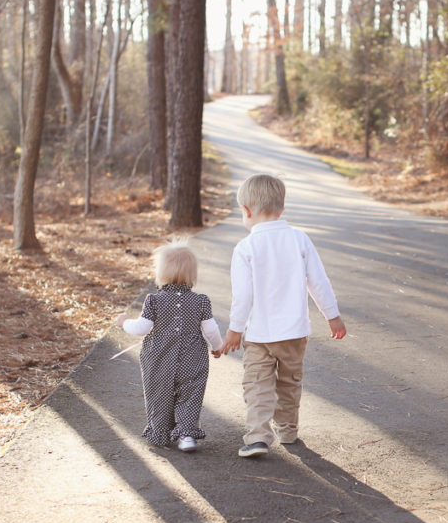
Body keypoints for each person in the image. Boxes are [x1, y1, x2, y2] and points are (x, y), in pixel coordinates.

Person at [218, 173, 346, 458]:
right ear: (282, 209)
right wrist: (332, 315)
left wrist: (235, 330)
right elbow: (318, 282)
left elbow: (243, 296)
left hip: (259, 336)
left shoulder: (245, 248)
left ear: (247, 211)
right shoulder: (299, 239)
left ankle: (257, 437)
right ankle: (288, 431)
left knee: (257, 385)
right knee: (289, 383)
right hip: (294, 333)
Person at [116, 240, 223, 453]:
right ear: (192, 274)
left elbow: (141, 329)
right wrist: (217, 346)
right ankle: (186, 435)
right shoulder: (201, 301)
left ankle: (161, 433)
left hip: (159, 361)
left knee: (159, 394)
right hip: (193, 360)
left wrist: (124, 322)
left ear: (161, 272)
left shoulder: (154, 301)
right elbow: (211, 329)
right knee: (190, 394)